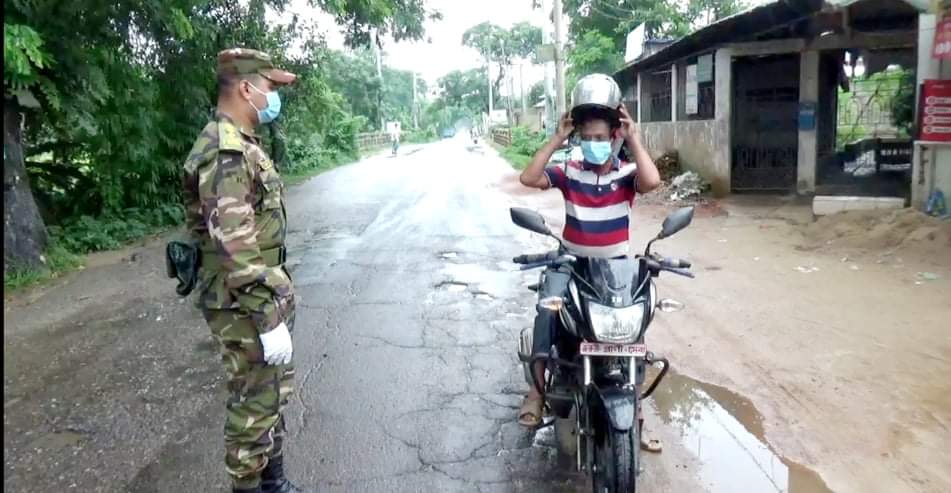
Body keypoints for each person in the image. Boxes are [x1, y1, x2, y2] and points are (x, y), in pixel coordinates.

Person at [181, 48, 310, 493]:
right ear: (246, 88)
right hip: (243, 304)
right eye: (271, 88)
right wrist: (267, 316)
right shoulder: (226, 152)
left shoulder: (242, 144)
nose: (274, 97)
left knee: (270, 395)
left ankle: (273, 484)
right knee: (253, 405)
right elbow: (234, 248)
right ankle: (252, 488)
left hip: (257, 298)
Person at [516, 74, 663, 451]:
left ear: (615, 136)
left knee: (635, 326)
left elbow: (653, 182)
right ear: (578, 138)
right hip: (571, 263)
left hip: (616, 269)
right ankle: (536, 391)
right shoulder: (569, 171)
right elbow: (529, 177)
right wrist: (557, 139)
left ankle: (637, 417)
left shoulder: (626, 174)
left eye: (602, 138)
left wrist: (634, 138)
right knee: (546, 310)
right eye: (588, 138)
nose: (595, 145)